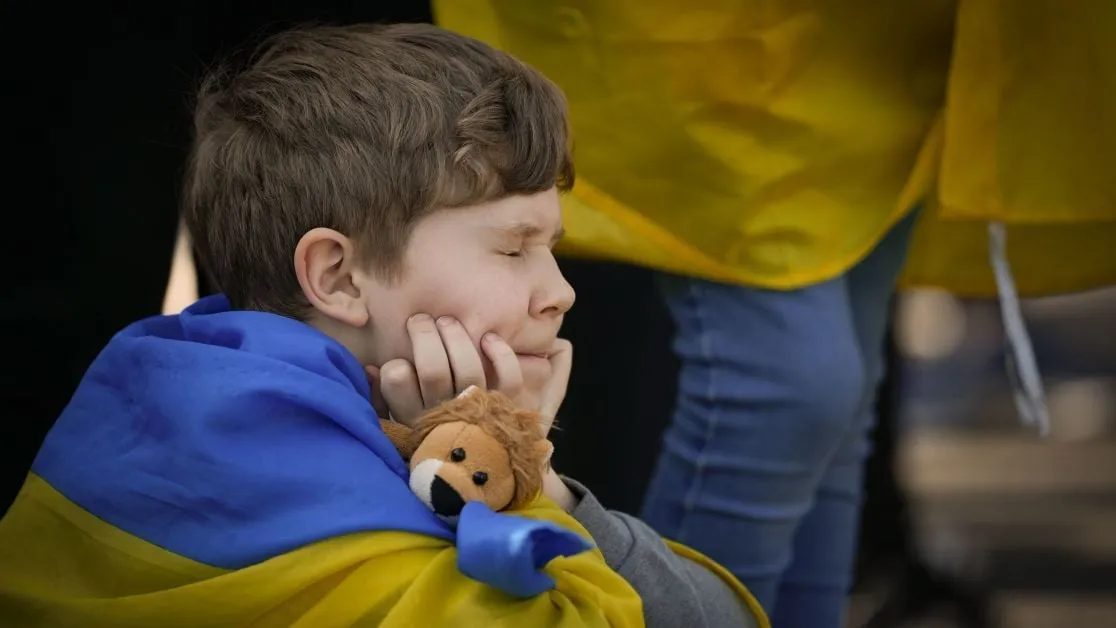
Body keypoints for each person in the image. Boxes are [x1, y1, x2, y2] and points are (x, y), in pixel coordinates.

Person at [0, 23, 766, 628]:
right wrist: (516, 476)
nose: (559, 292)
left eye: (553, 248)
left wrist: (526, 475)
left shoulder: (166, 390)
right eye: (511, 247)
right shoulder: (302, 490)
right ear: (337, 276)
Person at [434, 2, 1116, 627]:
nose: (560, 293)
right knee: (790, 387)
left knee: (844, 401)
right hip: (723, 38)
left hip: (889, 35)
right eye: (515, 249)